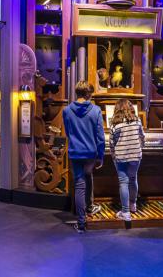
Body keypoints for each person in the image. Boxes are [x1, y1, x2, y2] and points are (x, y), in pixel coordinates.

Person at [63, 81, 105, 233]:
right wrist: (100, 156)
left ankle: (81, 222)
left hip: (75, 152)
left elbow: (68, 132)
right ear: (88, 94)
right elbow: (100, 136)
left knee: (80, 185)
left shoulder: (66, 110)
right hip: (90, 153)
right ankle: (89, 208)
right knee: (88, 176)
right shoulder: (96, 110)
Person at [109, 99, 144, 222]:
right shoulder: (137, 121)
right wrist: (140, 148)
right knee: (133, 179)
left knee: (123, 182)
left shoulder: (115, 124)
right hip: (135, 155)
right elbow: (142, 137)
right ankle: (133, 205)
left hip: (121, 156)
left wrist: (113, 154)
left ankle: (125, 212)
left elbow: (111, 142)